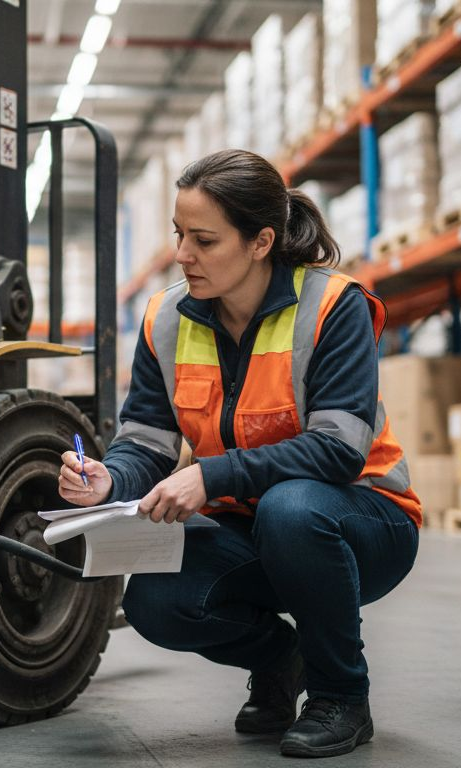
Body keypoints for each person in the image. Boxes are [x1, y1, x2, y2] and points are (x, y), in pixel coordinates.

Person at [58, 149, 421, 759]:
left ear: (260, 242)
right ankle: (283, 659)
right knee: (154, 598)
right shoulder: (166, 320)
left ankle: (341, 698)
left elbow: (338, 452)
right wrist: (107, 481)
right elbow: (145, 440)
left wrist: (210, 475)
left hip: (361, 522)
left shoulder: (334, 308)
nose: (182, 255)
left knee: (292, 507)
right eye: (179, 235)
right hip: (251, 527)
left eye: (204, 239)